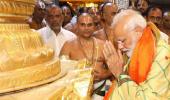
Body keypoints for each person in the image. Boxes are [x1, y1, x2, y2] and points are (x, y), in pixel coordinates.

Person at [103, 9, 170, 100]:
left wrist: (120, 74)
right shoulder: (134, 48)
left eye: (122, 41)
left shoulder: (162, 54)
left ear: (138, 32)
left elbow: (148, 98)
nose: (120, 47)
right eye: (117, 42)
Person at [60, 13, 113, 99]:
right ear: (77, 25)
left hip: (101, 85)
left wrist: (104, 75)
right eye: (82, 25)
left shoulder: (103, 44)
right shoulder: (68, 45)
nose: (86, 28)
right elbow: (61, 70)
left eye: (89, 25)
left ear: (94, 26)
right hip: (76, 90)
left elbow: (115, 66)